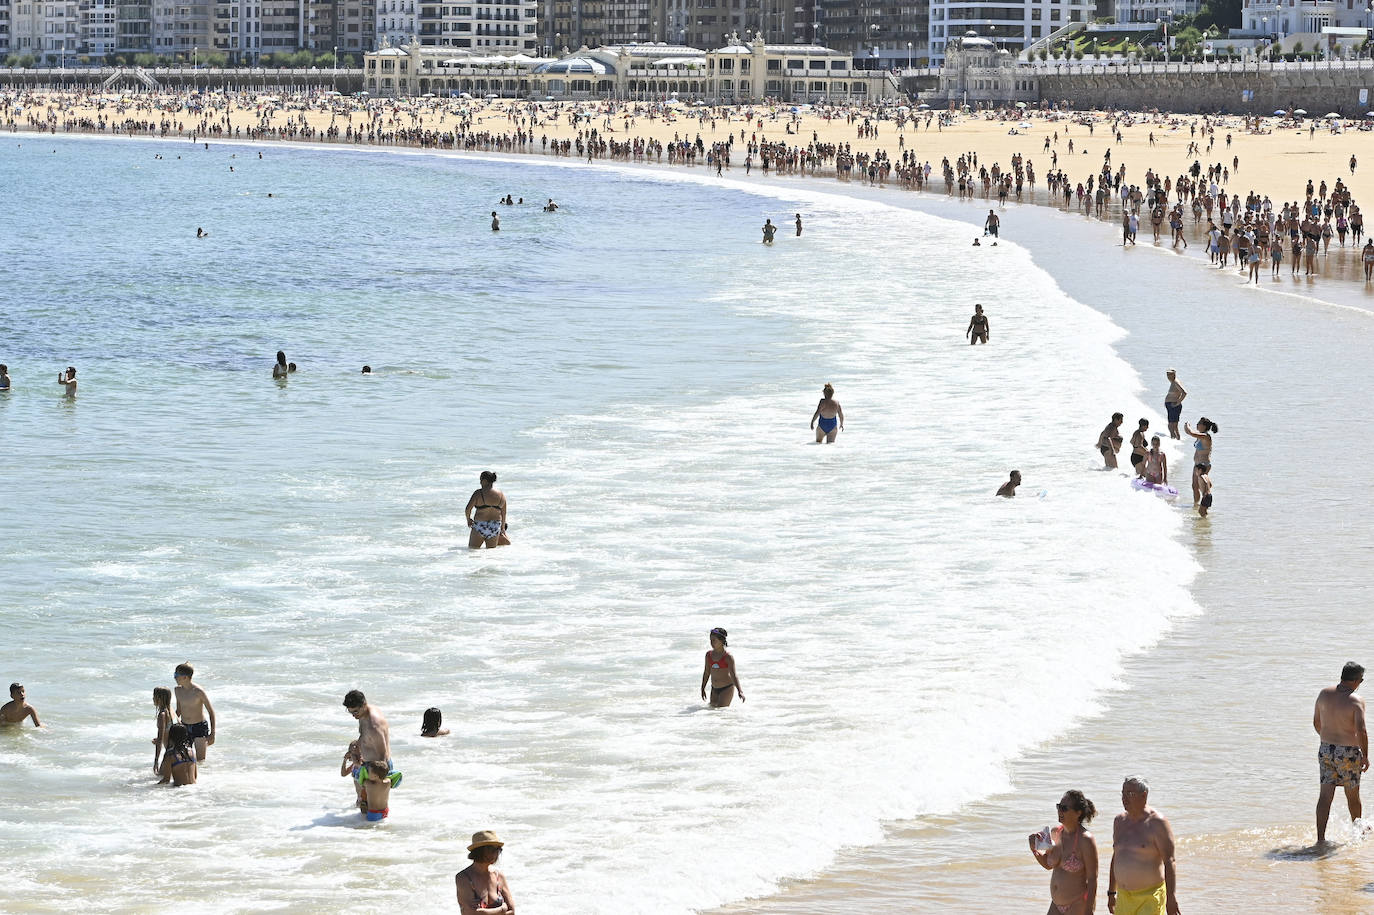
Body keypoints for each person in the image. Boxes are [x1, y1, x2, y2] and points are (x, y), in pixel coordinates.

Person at [1314, 661, 1369, 844]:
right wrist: (1365, 756)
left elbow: (1316, 723)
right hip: (1348, 752)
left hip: (1325, 749)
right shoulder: (1355, 700)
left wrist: (1330, 740)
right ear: (1356, 680)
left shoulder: (1323, 694)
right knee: (1352, 796)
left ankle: (1320, 839)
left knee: (1325, 796)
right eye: (1361, 680)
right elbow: (1361, 730)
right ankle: (1358, 836)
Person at [1108, 777, 1179, 915]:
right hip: (1123, 897)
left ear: (1144, 795)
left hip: (1150, 896)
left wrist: (1171, 897)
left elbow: (1169, 861)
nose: (1124, 798)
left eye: (1130, 794)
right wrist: (1111, 892)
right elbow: (1116, 856)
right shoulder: (1119, 821)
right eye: (1123, 793)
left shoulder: (1157, 823)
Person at [1028, 789, 1099, 915]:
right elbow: (1048, 864)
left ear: (1078, 813)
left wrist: (1089, 910)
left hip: (1077, 904)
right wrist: (1034, 849)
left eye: (1064, 808)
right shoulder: (1056, 832)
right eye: (1059, 807)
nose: (1060, 811)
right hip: (1055, 904)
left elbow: (1092, 879)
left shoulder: (1085, 840)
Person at [343, 689, 393, 812]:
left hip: (375, 769)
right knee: (361, 803)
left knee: (370, 809)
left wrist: (375, 779)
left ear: (364, 704)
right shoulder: (365, 713)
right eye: (350, 712)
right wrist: (357, 748)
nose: (354, 715)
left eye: (355, 711)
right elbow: (365, 736)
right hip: (366, 764)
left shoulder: (374, 726)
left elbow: (383, 756)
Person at [456, 831, 515, 915]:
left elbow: (512, 911)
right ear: (479, 851)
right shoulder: (464, 878)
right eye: (492, 850)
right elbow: (469, 913)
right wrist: (502, 909)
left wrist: (483, 912)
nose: (496, 853)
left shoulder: (499, 876)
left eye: (498, 849)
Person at [173, 662, 216, 761]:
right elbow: (178, 711)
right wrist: (169, 728)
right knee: (185, 759)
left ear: (185, 677)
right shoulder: (177, 690)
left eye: (176, 675)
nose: (174, 677)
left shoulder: (198, 691)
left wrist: (213, 734)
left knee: (200, 760)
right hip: (184, 727)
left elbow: (211, 712)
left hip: (199, 727)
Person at [700, 627, 744, 708]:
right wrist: (702, 688)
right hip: (714, 688)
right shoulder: (709, 655)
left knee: (721, 711)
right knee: (712, 711)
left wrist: (740, 691)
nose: (711, 643)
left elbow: (733, 675)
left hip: (726, 688)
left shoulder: (728, 657)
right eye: (710, 640)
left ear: (722, 641)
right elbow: (706, 672)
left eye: (714, 640)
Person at [465, 470, 510, 548]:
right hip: (494, 526)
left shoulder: (478, 493)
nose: (480, 483)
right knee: (491, 552)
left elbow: (468, 509)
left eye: (480, 480)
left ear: (484, 481)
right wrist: (502, 529)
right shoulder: (501, 495)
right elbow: (504, 513)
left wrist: (468, 519)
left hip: (480, 525)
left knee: (473, 550)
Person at [1182, 418, 1216, 507]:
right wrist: (1187, 427)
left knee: (1203, 488)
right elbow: (1189, 433)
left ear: (1204, 426)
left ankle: (1204, 507)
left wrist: (1187, 425)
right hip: (1197, 465)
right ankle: (1196, 505)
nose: (1197, 425)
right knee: (1194, 486)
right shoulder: (1200, 436)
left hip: (1204, 465)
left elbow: (1191, 433)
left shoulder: (1206, 436)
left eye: (1199, 423)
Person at [151, 686, 173, 773]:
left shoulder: (162, 715)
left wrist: (156, 761)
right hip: (177, 749)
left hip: (171, 752)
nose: (153, 698)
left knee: (161, 777)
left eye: (154, 696)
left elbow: (160, 740)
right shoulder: (170, 711)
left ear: (159, 699)